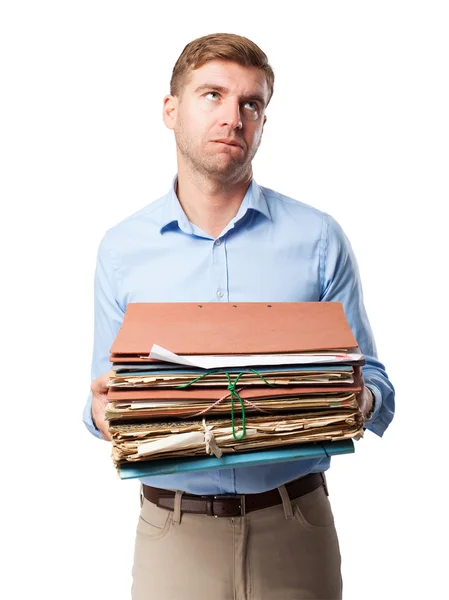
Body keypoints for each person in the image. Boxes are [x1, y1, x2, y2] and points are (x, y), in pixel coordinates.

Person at [84, 32, 395, 600]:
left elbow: (374, 382)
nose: (233, 117)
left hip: (295, 524)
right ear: (170, 109)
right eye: (213, 95)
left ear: (263, 122)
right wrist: (103, 409)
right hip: (172, 533)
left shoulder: (318, 239)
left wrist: (358, 399)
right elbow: (103, 397)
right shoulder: (122, 249)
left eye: (251, 103)